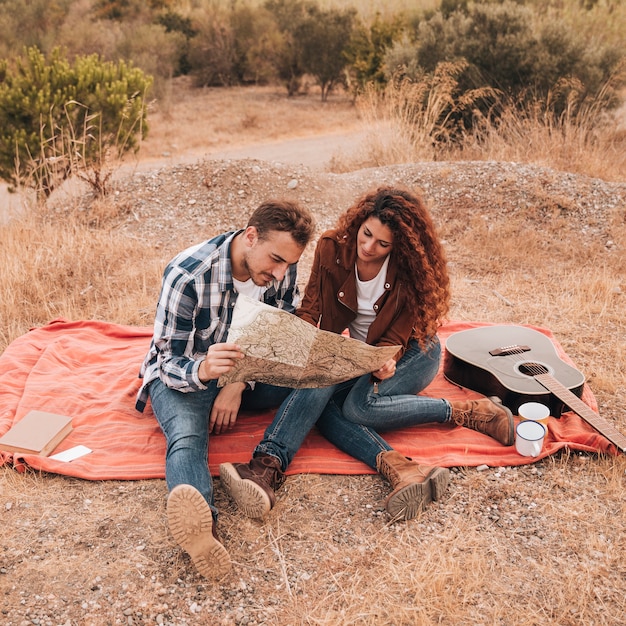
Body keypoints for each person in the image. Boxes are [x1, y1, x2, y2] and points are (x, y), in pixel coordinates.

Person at [219, 186, 514, 523]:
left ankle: (470, 411)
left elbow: (393, 343)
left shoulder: (408, 272)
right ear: (359, 222)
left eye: (382, 244)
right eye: (367, 233)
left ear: (398, 247)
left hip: (411, 354)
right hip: (355, 352)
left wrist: (382, 364)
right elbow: (310, 308)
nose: (369, 246)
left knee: (357, 406)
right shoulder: (332, 248)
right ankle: (403, 471)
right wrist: (299, 340)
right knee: (325, 395)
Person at [135, 199, 316, 579]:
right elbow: (167, 360)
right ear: (250, 236)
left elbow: (276, 334)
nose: (282, 273)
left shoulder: (283, 264)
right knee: (186, 436)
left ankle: (261, 468)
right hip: (186, 375)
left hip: (244, 375)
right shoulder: (187, 274)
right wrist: (203, 371)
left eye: (288, 263)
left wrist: (236, 384)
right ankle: (204, 531)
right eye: (275, 260)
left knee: (318, 379)